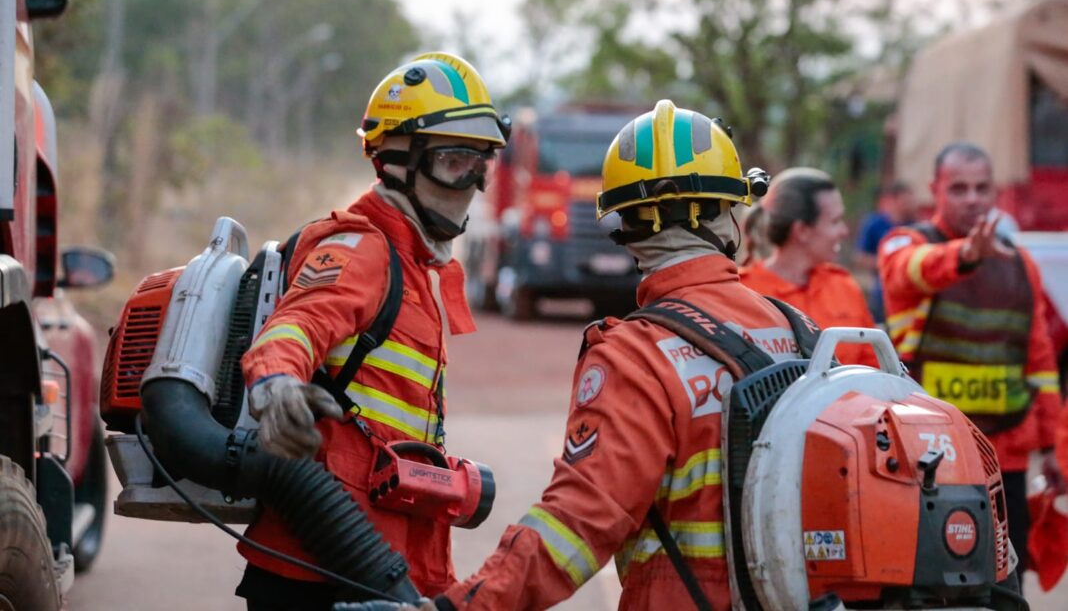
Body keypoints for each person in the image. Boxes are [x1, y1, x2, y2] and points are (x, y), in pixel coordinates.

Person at [367, 99, 824, 611]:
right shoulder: (805, 332)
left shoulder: (638, 356)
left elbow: (578, 523)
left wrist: (461, 607)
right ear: (732, 211)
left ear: (623, 225)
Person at [233, 52, 510, 610]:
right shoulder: (361, 248)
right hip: (320, 564)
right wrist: (276, 385)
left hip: (375, 556)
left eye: (481, 164)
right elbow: (299, 322)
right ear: (395, 160)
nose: (471, 184)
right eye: (455, 161)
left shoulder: (415, 265)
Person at [878, 142, 1061, 574]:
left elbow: (1039, 359)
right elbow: (910, 268)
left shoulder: (1021, 264)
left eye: (982, 188)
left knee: (1007, 581)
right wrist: (965, 255)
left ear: (995, 193)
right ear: (935, 190)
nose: (973, 198)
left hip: (1007, 454)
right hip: (930, 453)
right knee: (935, 582)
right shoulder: (904, 242)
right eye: (959, 188)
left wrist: (1053, 446)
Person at [740, 167, 880, 368]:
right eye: (835, 221)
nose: (844, 231)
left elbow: (876, 370)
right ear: (802, 231)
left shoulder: (844, 287)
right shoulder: (745, 293)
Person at [853, 180, 916, 323]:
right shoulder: (875, 224)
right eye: (906, 200)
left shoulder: (915, 227)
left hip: (908, 298)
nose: (911, 204)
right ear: (894, 199)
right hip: (882, 296)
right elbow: (860, 257)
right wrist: (889, 264)